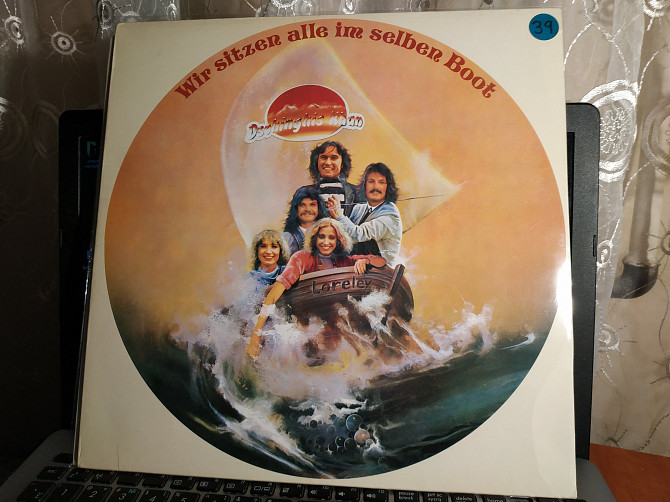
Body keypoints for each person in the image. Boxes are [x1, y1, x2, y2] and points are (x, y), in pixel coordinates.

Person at [246, 218, 386, 358]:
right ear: (314, 238)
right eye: (321, 236)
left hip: (331, 335)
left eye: (331, 237)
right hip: (300, 330)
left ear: (338, 240)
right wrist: (256, 334)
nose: (326, 242)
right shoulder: (302, 258)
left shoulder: (343, 261)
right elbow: (274, 294)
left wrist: (365, 261)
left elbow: (381, 261)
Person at [327, 162, 402, 267]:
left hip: (380, 271)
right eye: (371, 181)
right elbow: (344, 236)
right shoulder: (359, 209)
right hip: (354, 268)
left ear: (388, 187)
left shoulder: (390, 216)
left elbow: (357, 235)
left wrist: (339, 216)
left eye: (381, 182)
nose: (376, 187)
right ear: (365, 185)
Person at [293, 141, 365, 218]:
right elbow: (293, 223)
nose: (328, 162)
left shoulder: (358, 192)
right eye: (323, 157)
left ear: (342, 164)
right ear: (317, 162)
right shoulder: (303, 192)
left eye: (334, 158)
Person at [281, 186, 328, 256]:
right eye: (302, 205)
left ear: (319, 207)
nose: (307, 209)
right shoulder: (286, 238)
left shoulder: (329, 233)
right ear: (296, 208)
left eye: (312, 204)